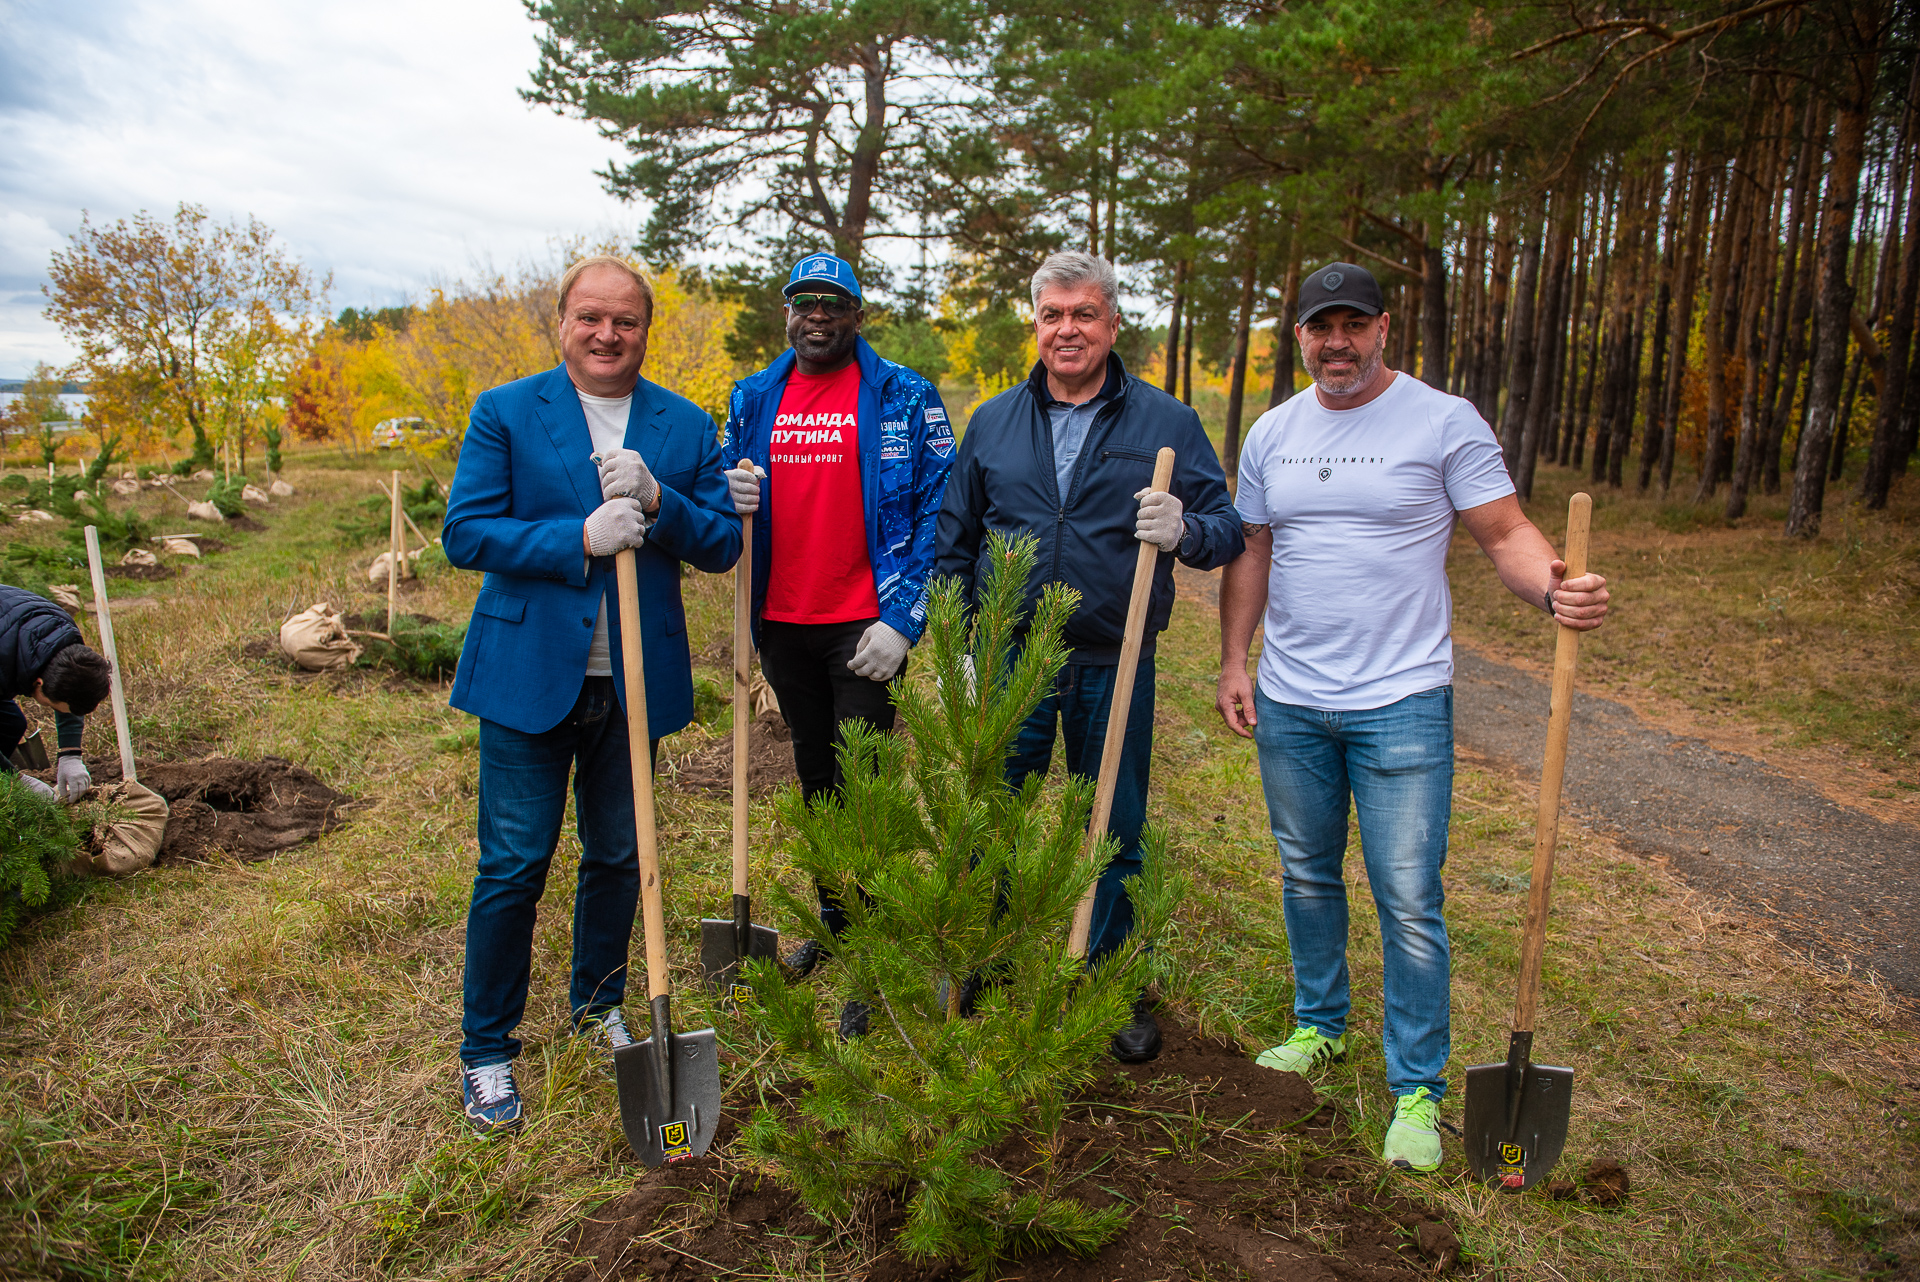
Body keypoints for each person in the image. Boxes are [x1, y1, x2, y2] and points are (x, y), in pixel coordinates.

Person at [1216, 262, 1610, 1172]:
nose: (1337, 342)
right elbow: (1254, 548)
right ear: (1301, 336)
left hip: (1402, 703)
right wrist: (1236, 660)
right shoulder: (1274, 432)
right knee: (1307, 873)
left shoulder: (1442, 419)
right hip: (1292, 698)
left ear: (1385, 328)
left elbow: (1505, 532)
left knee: (1408, 900)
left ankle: (1419, 1088)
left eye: (1354, 324)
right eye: (1321, 327)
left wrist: (1556, 592)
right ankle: (1320, 1026)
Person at [442, 255, 741, 1136]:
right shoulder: (505, 411)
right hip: (530, 676)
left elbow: (722, 541)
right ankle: (486, 1049)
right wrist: (575, 535)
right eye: (590, 318)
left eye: (626, 321)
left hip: (635, 683)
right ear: (562, 323)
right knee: (514, 864)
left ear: (647, 329)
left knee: (618, 854)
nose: (607, 335)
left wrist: (659, 498)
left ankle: (595, 1004)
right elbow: (465, 532)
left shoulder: (682, 426)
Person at [936, 250, 1245, 1063]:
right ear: (1034, 325)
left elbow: (1226, 528)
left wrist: (1184, 529)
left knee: (1112, 822)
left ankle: (1106, 977)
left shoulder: (1165, 425)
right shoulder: (994, 423)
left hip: (1116, 653)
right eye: (1052, 315)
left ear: (1113, 324)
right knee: (994, 810)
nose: (1066, 329)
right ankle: (990, 956)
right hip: (1014, 655)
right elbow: (955, 543)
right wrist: (961, 644)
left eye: (1083, 314)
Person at [720, 253, 955, 1035]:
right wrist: (728, 493)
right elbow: (724, 500)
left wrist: (904, 619)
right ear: (786, 312)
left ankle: (878, 951)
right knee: (816, 778)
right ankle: (836, 919)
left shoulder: (904, 394)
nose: (817, 316)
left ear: (857, 315)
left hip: (866, 625)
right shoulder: (753, 397)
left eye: (834, 304)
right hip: (784, 620)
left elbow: (939, 509)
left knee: (868, 785)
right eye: (803, 303)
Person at [0, 584, 110, 803]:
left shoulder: (63, 635)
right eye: (52, 705)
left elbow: (72, 684)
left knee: (10, 724)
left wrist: (70, 753)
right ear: (39, 684)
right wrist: (13, 780)